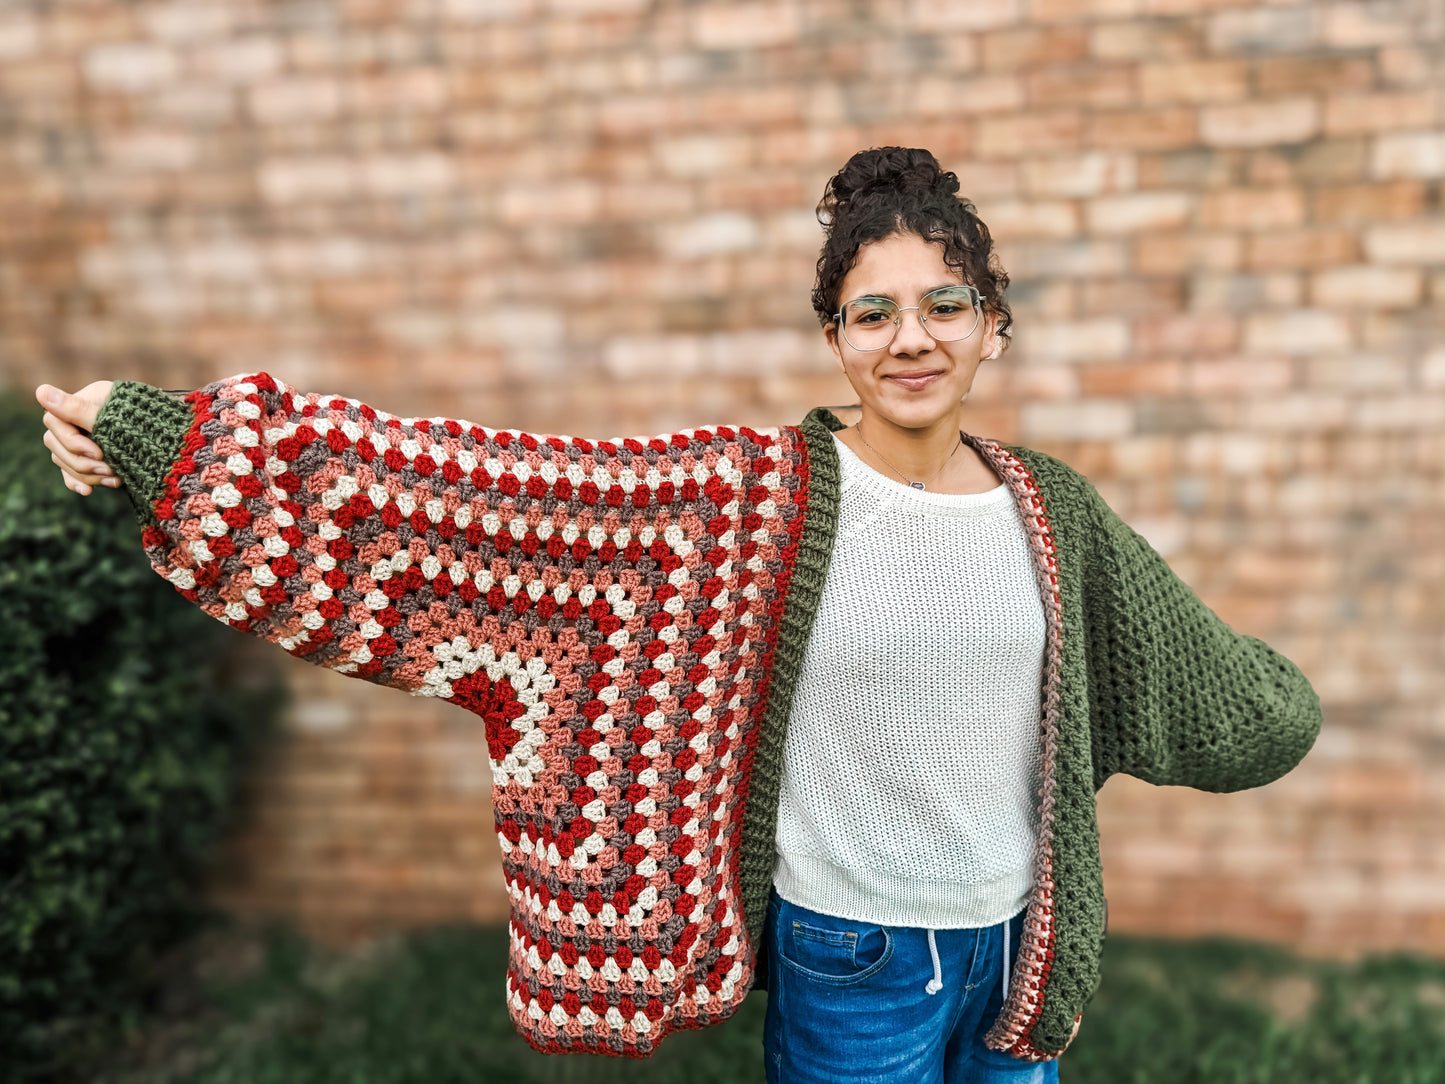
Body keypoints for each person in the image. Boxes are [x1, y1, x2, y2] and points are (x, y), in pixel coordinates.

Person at [36, 147, 1323, 1083]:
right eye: (870, 311)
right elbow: (458, 504)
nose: (909, 337)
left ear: (990, 327)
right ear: (835, 339)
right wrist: (167, 440)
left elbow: (1222, 700)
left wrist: (1278, 709)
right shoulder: (742, 503)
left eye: (943, 305)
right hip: (851, 957)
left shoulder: (1054, 513)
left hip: (1019, 954)